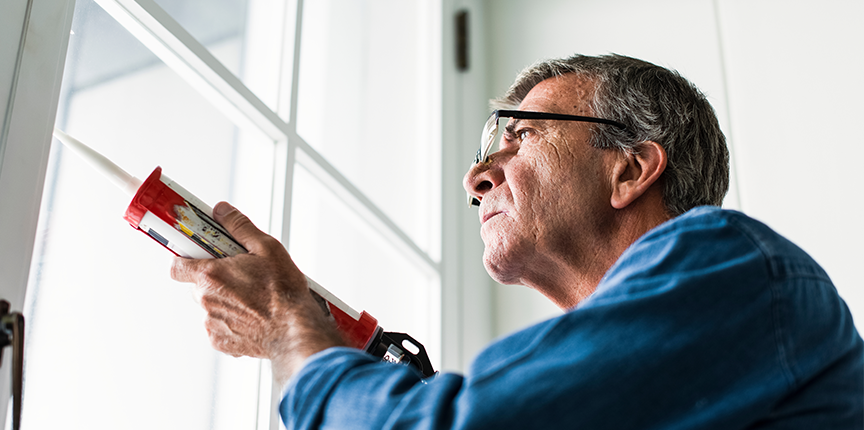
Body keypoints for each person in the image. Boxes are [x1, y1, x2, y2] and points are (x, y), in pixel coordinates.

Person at [170, 54, 864, 429]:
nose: (476, 175)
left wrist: (291, 326)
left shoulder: (732, 261)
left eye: (521, 135)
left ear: (629, 168)